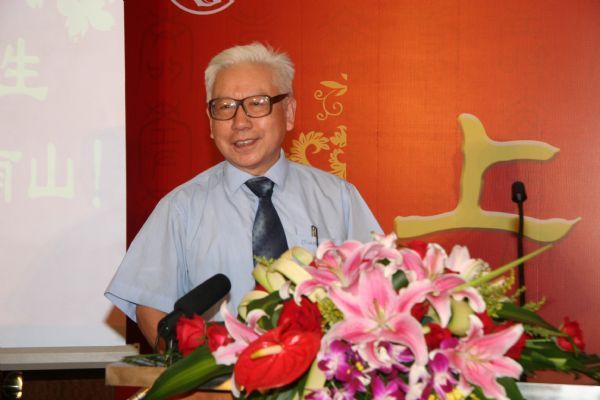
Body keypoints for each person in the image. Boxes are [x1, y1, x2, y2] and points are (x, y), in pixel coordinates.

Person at [105, 42, 382, 346]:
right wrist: (197, 368)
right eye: (225, 107)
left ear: (289, 112)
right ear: (211, 122)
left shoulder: (338, 198)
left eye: (258, 103)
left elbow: (379, 290)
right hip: (218, 372)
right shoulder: (181, 207)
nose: (240, 122)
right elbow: (151, 307)